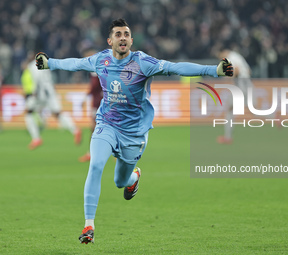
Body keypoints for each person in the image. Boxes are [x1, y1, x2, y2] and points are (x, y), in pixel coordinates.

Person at [35, 18, 233, 244]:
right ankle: (89, 224)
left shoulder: (143, 63)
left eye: (126, 34)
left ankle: (133, 178)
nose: (123, 37)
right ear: (110, 40)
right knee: (96, 164)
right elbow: (76, 63)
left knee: (120, 182)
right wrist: (50, 63)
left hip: (134, 134)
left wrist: (214, 70)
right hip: (106, 124)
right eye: (118, 34)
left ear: (130, 40)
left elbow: (174, 67)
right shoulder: (101, 60)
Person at [21, 53, 82, 150]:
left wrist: (34, 92)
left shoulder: (32, 65)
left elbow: (37, 79)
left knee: (28, 113)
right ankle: (75, 130)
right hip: (50, 91)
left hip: (40, 93)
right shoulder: (46, 63)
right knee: (57, 114)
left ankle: (36, 138)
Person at [217, 49, 255, 144]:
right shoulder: (238, 56)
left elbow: (236, 70)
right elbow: (248, 70)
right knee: (252, 110)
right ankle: (275, 117)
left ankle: (228, 137)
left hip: (241, 84)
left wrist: (228, 77)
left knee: (230, 109)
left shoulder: (230, 58)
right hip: (247, 83)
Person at [78, 48, 103, 162]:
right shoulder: (95, 68)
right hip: (98, 102)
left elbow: (94, 87)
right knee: (95, 128)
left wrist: (84, 97)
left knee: (94, 128)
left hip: (101, 102)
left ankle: (91, 153)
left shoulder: (97, 68)